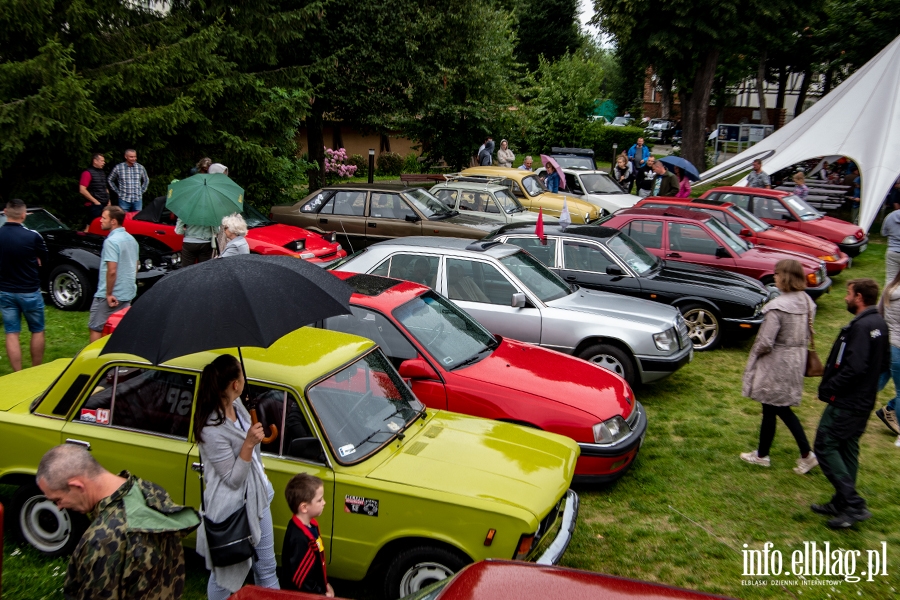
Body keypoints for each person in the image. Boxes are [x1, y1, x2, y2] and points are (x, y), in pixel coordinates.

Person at [36, 444, 199, 600]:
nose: (59, 507)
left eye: (58, 499)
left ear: (77, 486)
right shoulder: (148, 490)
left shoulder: (102, 541)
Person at [195, 354, 279, 599]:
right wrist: (249, 443)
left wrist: (254, 440)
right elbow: (232, 479)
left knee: (266, 568)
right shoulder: (211, 428)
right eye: (241, 374)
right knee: (225, 579)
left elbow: (254, 457)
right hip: (231, 512)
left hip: (259, 500)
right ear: (235, 383)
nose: (244, 378)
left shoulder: (239, 406)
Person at [812, 278, 890, 529]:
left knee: (825, 444)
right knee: (848, 447)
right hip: (864, 400)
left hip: (847, 401)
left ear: (858, 297)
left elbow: (854, 367)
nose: (845, 298)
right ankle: (841, 502)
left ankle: (854, 504)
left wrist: (831, 388)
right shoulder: (879, 322)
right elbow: (883, 363)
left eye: (848, 294)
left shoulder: (861, 326)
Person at [740, 260, 818, 474]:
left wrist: (754, 356)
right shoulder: (807, 301)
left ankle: (801, 454)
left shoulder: (777, 307)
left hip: (776, 362)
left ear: (785, 277)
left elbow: (765, 342)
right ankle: (766, 454)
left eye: (777, 274)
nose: (774, 277)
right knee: (774, 408)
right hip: (796, 360)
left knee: (776, 407)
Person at [0, 199, 47, 371]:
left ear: (5, 212)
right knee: (37, 329)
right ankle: (35, 370)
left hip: (5, 290)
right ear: (23, 215)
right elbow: (44, 260)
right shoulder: (33, 236)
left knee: (11, 332)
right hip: (29, 290)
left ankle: (17, 373)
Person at [88, 206, 139, 342]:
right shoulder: (132, 240)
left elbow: (111, 270)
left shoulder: (111, 242)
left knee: (95, 327)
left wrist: (109, 294)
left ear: (113, 221)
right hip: (127, 292)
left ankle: (95, 361)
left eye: (104, 218)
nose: (100, 221)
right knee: (120, 328)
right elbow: (135, 266)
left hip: (110, 295)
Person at [281, 473, 335, 596]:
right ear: (304, 507)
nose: (324, 503)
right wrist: (321, 594)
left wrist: (325, 583)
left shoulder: (311, 526)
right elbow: (302, 580)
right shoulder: (300, 539)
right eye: (319, 500)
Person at [876, 270, 900, 435]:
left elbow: (879, 316)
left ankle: (846, 402)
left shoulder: (890, 289)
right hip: (898, 349)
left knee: (874, 383)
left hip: (887, 346)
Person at [78, 153, 110, 228]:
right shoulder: (87, 173)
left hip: (104, 203)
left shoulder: (102, 173)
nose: (104, 163)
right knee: (91, 225)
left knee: (103, 226)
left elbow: (104, 187)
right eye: (102, 161)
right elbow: (82, 190)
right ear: (95, 161)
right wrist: (95, 202)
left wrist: (108, 200)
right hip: (94, 205)